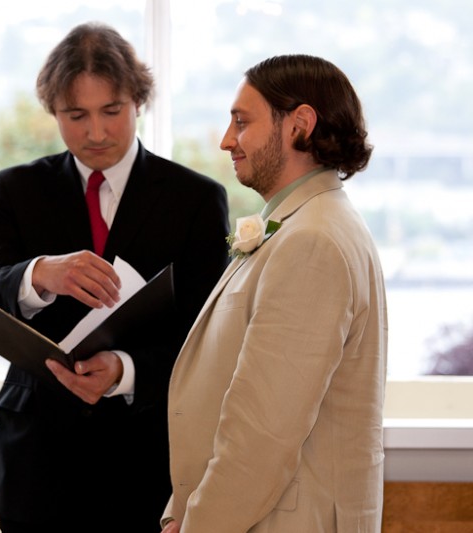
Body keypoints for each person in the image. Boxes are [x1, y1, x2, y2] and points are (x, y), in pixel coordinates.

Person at [0, 22, 230, 533]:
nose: (96, 133)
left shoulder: (195, 199)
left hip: (146, 458)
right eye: (76, 115)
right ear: (53, 112)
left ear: (138, 100)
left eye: (112, 111)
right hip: (35, 459)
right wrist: (40, 275)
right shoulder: (13, 190)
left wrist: (125, 369)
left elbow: (209, 336)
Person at [163, 54, 388, 532]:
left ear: (300, 125)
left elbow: (263, 433)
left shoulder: (311, 241)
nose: (227, 141)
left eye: (242, 122)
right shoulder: (309, 224)